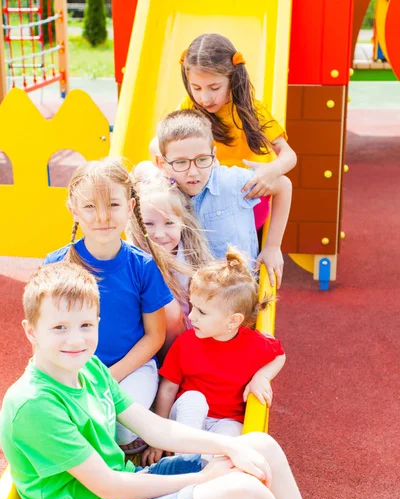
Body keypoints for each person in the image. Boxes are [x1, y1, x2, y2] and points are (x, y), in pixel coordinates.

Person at [0, 261, 398, 499]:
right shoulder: (36, 405)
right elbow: (108, 487)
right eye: (59, 328)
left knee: (260, 446)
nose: (76, 339)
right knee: (243, 491)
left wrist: (229, 446)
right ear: (31, 330)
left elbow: (156, 428)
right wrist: (201, 478)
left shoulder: (88, 370)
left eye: (86, 324)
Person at [43, 157, 184, 453]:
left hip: (131, 368)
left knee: (118, 427)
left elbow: (154, 336)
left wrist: (107, 377)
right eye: (90, 206)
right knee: (57, 421)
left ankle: (142, 428)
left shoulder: (142, 266)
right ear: (73, 209)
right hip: (73, 367)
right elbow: (46, 332)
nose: (103, 216)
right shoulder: (56, 264)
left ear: (130, 207)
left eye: (114, 205)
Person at [142, 247, 285, 467]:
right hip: (187, 418)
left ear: (233, 320)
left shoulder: (253, 344)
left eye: (202, 312)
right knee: (194, 399)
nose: (192, 316)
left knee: (234, 434)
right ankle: (182, 462)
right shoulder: (187, 342)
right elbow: (168, 388)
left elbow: (279, 355)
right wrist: (158, 437)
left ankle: (203, 469)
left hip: (226, 421)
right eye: (193, 307)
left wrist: (262, 377)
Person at [156, 109, 292, 287]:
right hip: (194, 300)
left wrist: (273, 246)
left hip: (237, 295)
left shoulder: (233, 183)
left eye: (202, 159)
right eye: (181, 162)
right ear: (162, 164)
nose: (193, 172)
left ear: (213, 156)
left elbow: (283, 185)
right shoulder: (163, 195)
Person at [127, 174, 212, 326]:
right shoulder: (131, 258)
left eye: (169, 223)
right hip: (145, 335)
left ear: (183, 222)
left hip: (187, 334)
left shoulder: (193, 255)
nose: (159, 234)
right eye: (148, 223)